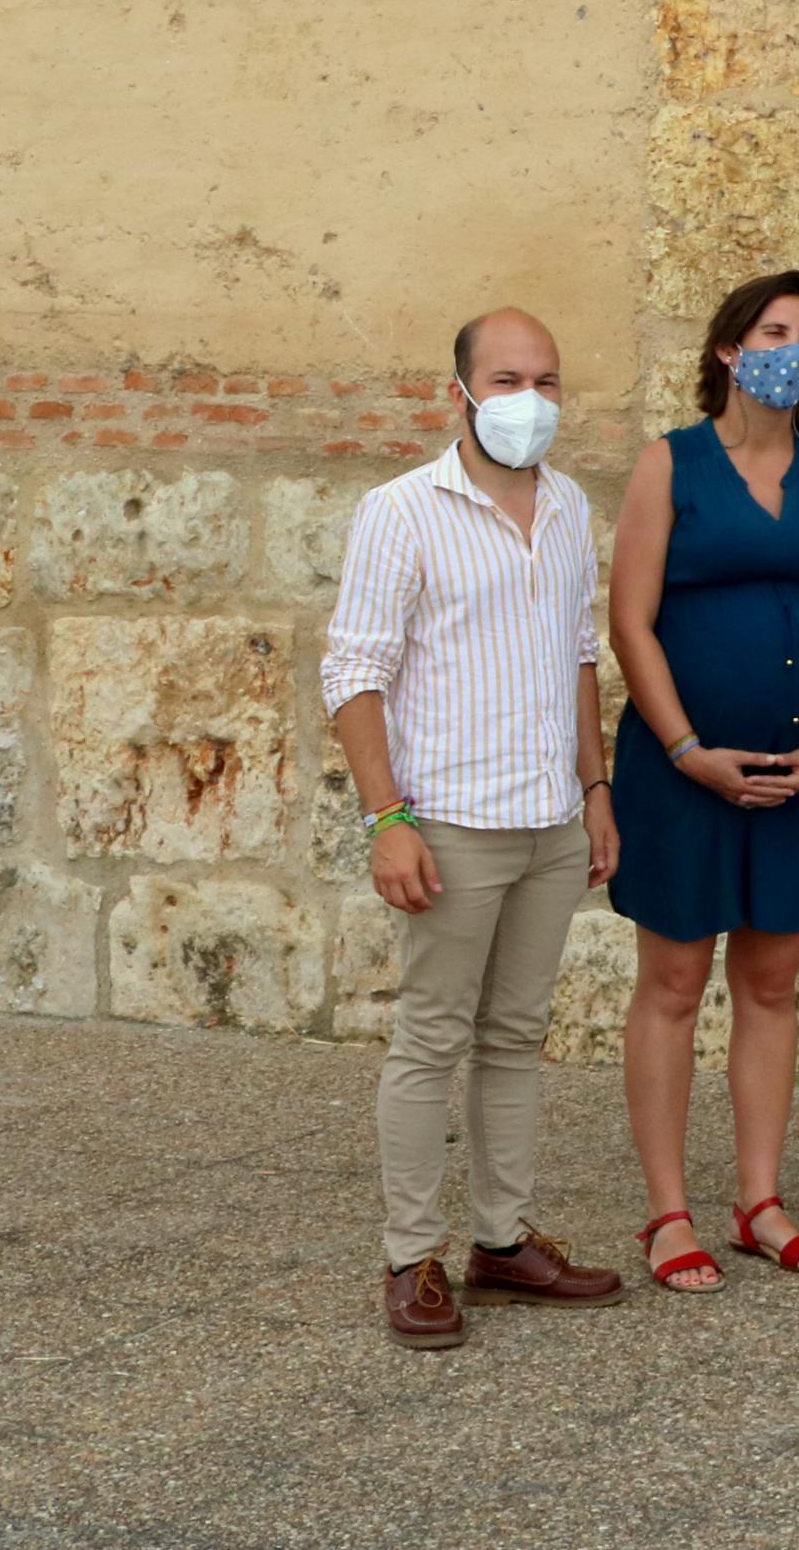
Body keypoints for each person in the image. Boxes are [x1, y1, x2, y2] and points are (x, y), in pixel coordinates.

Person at [320, 306, 627, 1347]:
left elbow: (579, 655)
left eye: (544, 380)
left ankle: (501, 1239)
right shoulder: (401, 511)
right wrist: (386, 818)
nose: (528, 401)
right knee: (428, 1039)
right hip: (449, 819)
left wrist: (594, 791)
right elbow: (352, 672)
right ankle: (412, 1257)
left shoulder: (571, 503)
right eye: (505, 380)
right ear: (456, 392)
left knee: (513, 1036)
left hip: (547, 818)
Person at [603, 270, 799, 1294]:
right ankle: (667, 1212)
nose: (791, 350)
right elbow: (629, 620)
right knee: (672, 984)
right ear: (727, 348)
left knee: (771, 982)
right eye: (772, 330)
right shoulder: (668, 465)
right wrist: (684, 749)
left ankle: (759, 1200)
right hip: (685, 772)